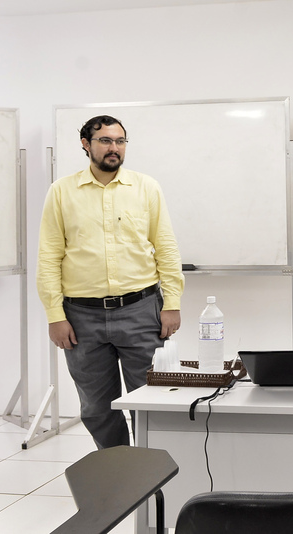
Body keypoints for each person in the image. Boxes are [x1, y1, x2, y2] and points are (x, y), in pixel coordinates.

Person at [37, 115, 184, 449]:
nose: (114, 148)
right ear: (86, 144)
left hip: (141, 310)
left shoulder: (146, 187)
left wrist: (172, 303)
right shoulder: (61, 192)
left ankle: (155, 472)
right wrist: (54, 315)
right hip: (81, 317)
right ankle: (120, 472)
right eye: (105, 141)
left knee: (153, 402)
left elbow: (166, 247)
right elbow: (49, 256)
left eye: (120, 141)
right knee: (97, 409)